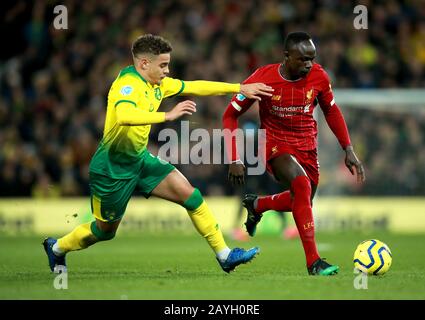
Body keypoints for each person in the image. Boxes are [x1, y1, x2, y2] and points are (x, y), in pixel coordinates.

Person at [43, 34, 274, 274]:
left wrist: (239, 88)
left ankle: (224, 255)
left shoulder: (158, 85)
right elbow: (124, 116)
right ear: (144, 64)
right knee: (104, 231)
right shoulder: (127, 86)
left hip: (140, 161)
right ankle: (57, 248)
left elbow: (195, 86)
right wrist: (168, 115)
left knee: (191, 196)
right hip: (111, 168)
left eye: (168, 64)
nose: (167, 70)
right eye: (163, 65)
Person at [222, 32, 366, 275]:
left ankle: (258, 204)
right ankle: (314, 262)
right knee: (301, 185)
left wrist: (348, 148)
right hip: (275, 144)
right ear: (286, 57)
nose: (309, 64)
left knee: (303, 200)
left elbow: (332, 111)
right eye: (302, 59)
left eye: (312, 58)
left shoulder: (319, 76)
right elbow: (229, 115)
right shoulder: (263, 79)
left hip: (307, 145)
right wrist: (234, 158)